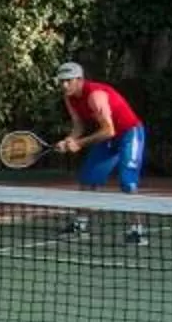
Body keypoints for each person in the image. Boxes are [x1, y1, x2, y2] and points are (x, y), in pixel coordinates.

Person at [54, 60, 148, 245]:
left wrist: (79, 143)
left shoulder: (95, 95)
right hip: (108, 137)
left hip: (130, 133)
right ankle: (80, 225)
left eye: (68, 80)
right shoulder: (69, 97)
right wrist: (68, 140)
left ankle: (137, 231)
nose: (64, 85)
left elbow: (109, 130)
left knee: (127, 182)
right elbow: (79, 126)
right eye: (61, 81)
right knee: (88, 179)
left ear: (80, 80)